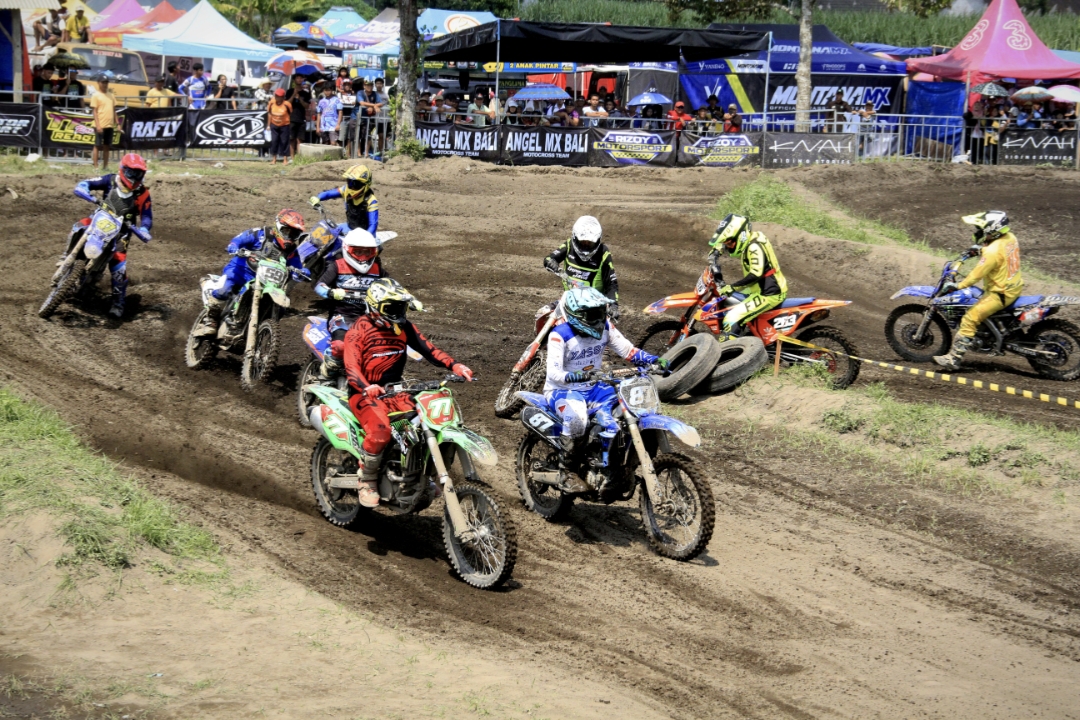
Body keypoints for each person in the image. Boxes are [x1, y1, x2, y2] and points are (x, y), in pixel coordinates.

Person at [343, 278, 473, 507]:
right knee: (381, 432)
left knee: (426, 422)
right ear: (375, 306)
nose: (398, 313)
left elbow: (429, 350)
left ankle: (420, 475)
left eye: (401, 307)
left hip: (395, 392)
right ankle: (367, 479)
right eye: (392, 308)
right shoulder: (358, 331)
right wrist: (366, 387)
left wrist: (455, 365)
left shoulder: (404, 328)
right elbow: (351, 368)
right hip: (363, 395)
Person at [544, 287, 663, 492]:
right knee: (577, 419)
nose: (599, 318)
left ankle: (615, 465)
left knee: (627, 409)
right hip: (562, 389)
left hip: (594, 386)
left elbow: (629, 351)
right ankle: (567, 472)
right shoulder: (559, 335)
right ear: (576, 314)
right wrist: (573, 375)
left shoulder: (606, 327)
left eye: (601, 312)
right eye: (593, 314)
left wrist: (654, 360)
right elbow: (553, 372)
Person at [193, 210, 309, 336]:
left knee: (280, 309)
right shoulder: (261, 234)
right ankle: (210, 319)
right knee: (225, 289)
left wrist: (302, 272)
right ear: (278, 226)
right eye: (287, 232)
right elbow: (239, 239)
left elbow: (297, 266)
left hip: (267, 281)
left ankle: (261, 333)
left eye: (294, 234)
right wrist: (234, 246)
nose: (289, 237)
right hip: (241, 271)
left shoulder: (292, 251)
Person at [933, 212, 1022, 370]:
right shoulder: (1010, 237)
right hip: (1013, 286)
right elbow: (1000, 252)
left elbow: (975, 276)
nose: (977, 232)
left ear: (991, 230)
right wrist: (981, 250)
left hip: (1000, 294)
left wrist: (957, 286)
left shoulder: (991, 252)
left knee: (970, 318)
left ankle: (953, 359)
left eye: (980, 229)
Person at [72, 154, 152, 318]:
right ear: (122, 169)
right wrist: (83, 187)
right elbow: (90, 183)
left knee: (118, 265)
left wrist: (144, 229)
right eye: (131, 172)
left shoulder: (142, 193)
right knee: (79, 226)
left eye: (138, 174)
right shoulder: (110, 180)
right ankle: (67, 255)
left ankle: (118, 302)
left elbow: (147, 215)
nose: (134, 177)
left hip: (122, 232)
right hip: (100, 219)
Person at [313, 227, 388, 378]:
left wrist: (408, 298)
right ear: (348, 250)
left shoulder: (377, 270)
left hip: (370, 317)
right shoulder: (337, 266)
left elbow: (393, 286)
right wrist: (331, 292)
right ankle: (327, 373)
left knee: (387, 348)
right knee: (340, 347)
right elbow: (319, 286)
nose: (363, 257)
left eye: (367, 252)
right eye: (358, 252)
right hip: (342, 316)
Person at [708, 214, 788, 342]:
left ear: (741, 236)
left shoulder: (754, 247)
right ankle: (747, 335)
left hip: (769, 293)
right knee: (730, 301)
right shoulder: (753, 238)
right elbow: (731, 241)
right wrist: (718, 248)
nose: (729, 247)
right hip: (758, 288)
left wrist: (733, 287)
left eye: (730, 243)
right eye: (727, 244)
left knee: (731, 318)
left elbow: (756, 274)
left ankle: (732, 352)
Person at [543, 216, 619, 318]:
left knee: (607, 328)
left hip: (595, 308)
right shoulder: (569, 245)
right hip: (569, 302)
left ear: (598, 240)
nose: (586, 246)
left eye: (590, 243)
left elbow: (612, 283)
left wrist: (613, 305)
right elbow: (548, 258)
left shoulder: (603, 253)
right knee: (542, 314)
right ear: (575, 238)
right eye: (583, 242)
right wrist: (551, 262)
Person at [309, 164, 378, 234]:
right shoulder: (345, 190)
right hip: (349, 227)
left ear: (365, 185)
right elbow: (329, 194)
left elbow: (373, 225)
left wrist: (365, 237)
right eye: (350, 182)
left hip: (365, 234)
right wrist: (318, 197)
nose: (352, 187)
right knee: (328, 233)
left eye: (356, 184)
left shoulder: (371, 200)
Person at [89, 76, 119, 171]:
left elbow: (114, 110)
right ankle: (96, 167)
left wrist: (117, 123)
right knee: (97, 145)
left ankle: (105, 166)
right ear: (98, 83)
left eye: (106, 82)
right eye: (103, 82)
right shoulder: (96, 95)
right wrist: (98, 125)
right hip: (100, 125)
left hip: (109, 125)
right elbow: (94, 111)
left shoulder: (111, 95)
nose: (105, 84)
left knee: (107, 146)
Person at [179, 62, 211, 130]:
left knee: (202, 122)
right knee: (192, 123)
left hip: (202, 103)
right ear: (196, 71)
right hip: (193, 104)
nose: (202, 72)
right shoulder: (190, 79)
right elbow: (180, 88)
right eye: (200, 70)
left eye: (202, 70)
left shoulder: (204, 79)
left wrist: (207, 95)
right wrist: (187, 97)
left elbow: (209, 87)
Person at [285, 75, 311, 158]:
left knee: (300, 139)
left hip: (301, 118)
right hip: (291, 118)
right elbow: (287, 104)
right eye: (297, 78)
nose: (299, 80)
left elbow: (307, 106)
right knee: (291, 139)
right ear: (294, 80)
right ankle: (292, 157)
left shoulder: (306, 93)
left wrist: (299, 98)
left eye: (301, 78)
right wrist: (293, 94)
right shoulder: (289, 91)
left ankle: (299, 157)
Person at [267, 88, 292, 164]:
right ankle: (274, 159)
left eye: (279, 96)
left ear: (283, 97)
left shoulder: (287, 104)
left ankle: (285, 159)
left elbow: (290, 113)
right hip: (274, 124)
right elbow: (269, 113)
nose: (277, 97)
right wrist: (268, 125)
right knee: (274, 141)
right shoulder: (271, 103)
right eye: (276, 96)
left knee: (284, 141)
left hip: (285, 125)